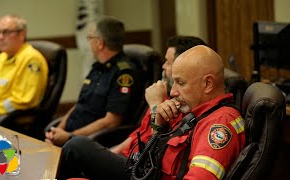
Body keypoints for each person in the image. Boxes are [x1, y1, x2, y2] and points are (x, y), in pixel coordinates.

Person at [58, 45, 245, 180]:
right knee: (77, 151)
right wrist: (159, 124)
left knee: (77, 149)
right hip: (145, 171)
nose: (172, 92)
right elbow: (156, 152)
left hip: (146, 174)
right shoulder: (196, 110)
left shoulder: (219, 124)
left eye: (181, 82)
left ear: (208, 84)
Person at [45, 16, 138, 146]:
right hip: (71, 136)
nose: (88, 43)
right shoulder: (97, 67)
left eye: (90, 38)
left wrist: (70, 137)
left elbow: (112, 121)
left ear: (100, 43)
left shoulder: (123, 74)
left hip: (89, 142)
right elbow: (80, 104)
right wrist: (58, 130)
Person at [111, 36, 207, 156]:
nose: (163, 66)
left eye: (168, 62)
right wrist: (111, 153)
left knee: (81, 145)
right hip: (128, 157)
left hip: (139, 164)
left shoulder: (181, 104)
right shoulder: (163, 94)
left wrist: (155, 106)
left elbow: (154, 149)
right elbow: (139, 133)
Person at [0, 14, 48, 122]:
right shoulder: (2, 57)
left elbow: (23, 100)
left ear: (21, 34)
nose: (0, 37)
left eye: (6, 32)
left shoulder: (31, 60)